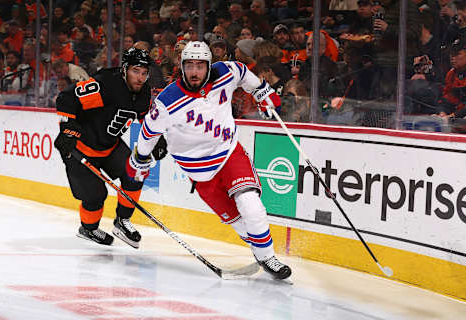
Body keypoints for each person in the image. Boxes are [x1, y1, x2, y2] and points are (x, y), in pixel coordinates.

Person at [125, 41, 292, 280]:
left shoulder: (226, 72)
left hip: (229, 154)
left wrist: (261, 90)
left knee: (251, 206)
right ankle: (259, 250)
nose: (194, 72)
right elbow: (148, 134)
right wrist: (140, 159)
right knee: (240, 224)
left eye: (200, 66)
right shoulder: (167, 101)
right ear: (182, 67)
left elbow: (244, 74)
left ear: (208, 66)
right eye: (189, 65)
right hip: (200, 174)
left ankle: (268, 258)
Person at [53, 47, 167, 248]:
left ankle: (122, 222)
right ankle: (88, 228)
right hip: (81, 148)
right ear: (124, 69)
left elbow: (143, 116)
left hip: (110, 146)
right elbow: (66, 99)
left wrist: (157, 139)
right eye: (135, 71)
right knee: (95, 196)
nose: (140, 78)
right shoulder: (106, 85)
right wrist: (68, 130)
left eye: (144, 72)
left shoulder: (142, 92)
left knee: (136, 173)